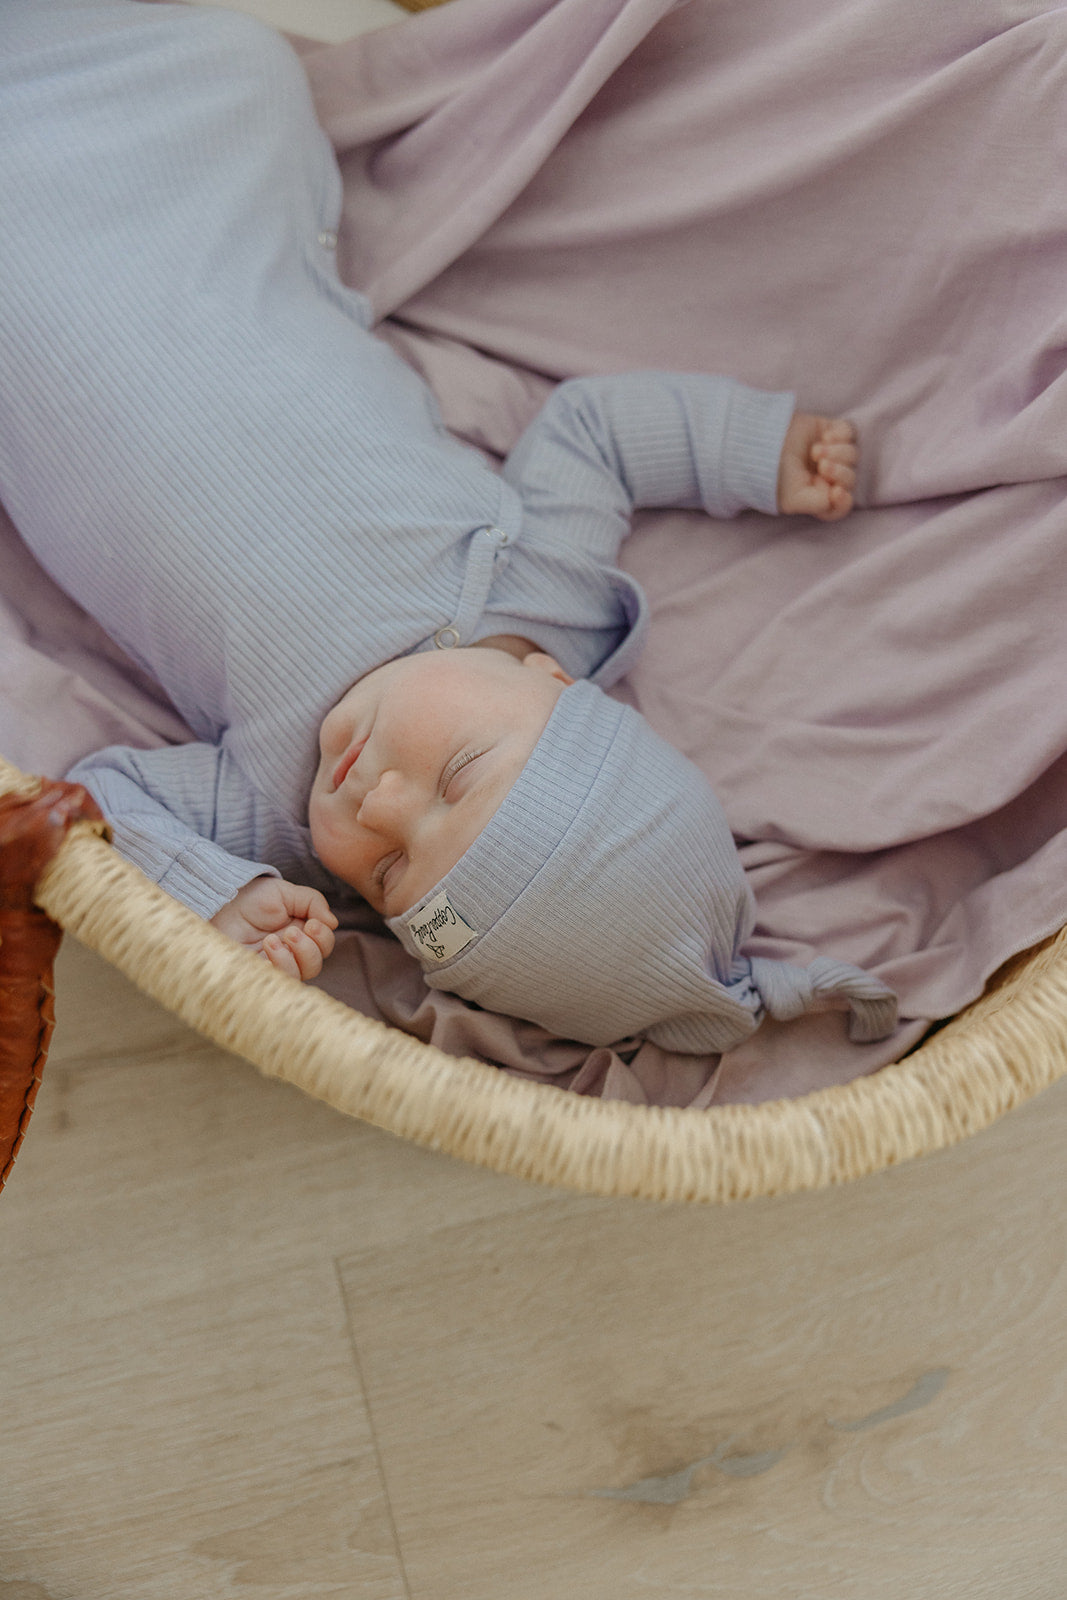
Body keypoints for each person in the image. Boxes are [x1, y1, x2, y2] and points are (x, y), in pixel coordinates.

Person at [0, 0, 896, 1053]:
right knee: (232, 71)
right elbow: (596, 431)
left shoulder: (278, 817)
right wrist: (750, 452)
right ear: (551, 688)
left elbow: (106, 797)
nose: (375, 801)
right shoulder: (541, 590)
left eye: (385, 871)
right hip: (200, 220)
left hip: (36, 337)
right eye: (456, 774)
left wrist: (214, 892)